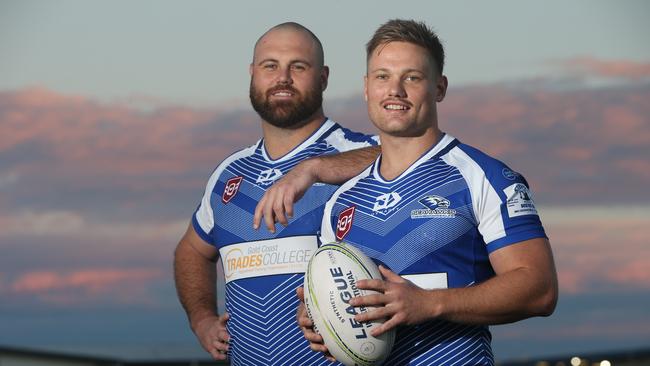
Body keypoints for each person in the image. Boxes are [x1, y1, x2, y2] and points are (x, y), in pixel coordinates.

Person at [256, 19, 558, 365]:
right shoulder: (341, 201)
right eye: (382, 77)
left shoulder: (484, 176)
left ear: (439, 88)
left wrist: (430, 303)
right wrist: (319, 318)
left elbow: (540, 289)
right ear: (367, 87)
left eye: (412, 78)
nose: (395, 90)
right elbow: (341, 296)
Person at [173, 22, 378, 365]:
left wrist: (314, 168)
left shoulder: (356, 153)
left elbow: (408, 158)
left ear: (323, 77)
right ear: (252, 75)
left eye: (298, 66)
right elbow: (191, 251)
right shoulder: (229, 175)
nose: (283, 77)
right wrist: (202, 319)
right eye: (270, 66)